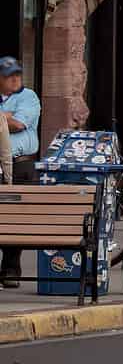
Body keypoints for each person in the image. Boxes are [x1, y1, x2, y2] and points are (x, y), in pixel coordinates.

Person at [0, 56, 37, 288]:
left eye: (17, 74)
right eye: (8, 75)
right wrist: (7, 118)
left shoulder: (28, 97)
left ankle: (10, 269)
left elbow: (18, 125)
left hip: (21, 164)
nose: (14, 79)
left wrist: (5, 118)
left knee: (15, 218)